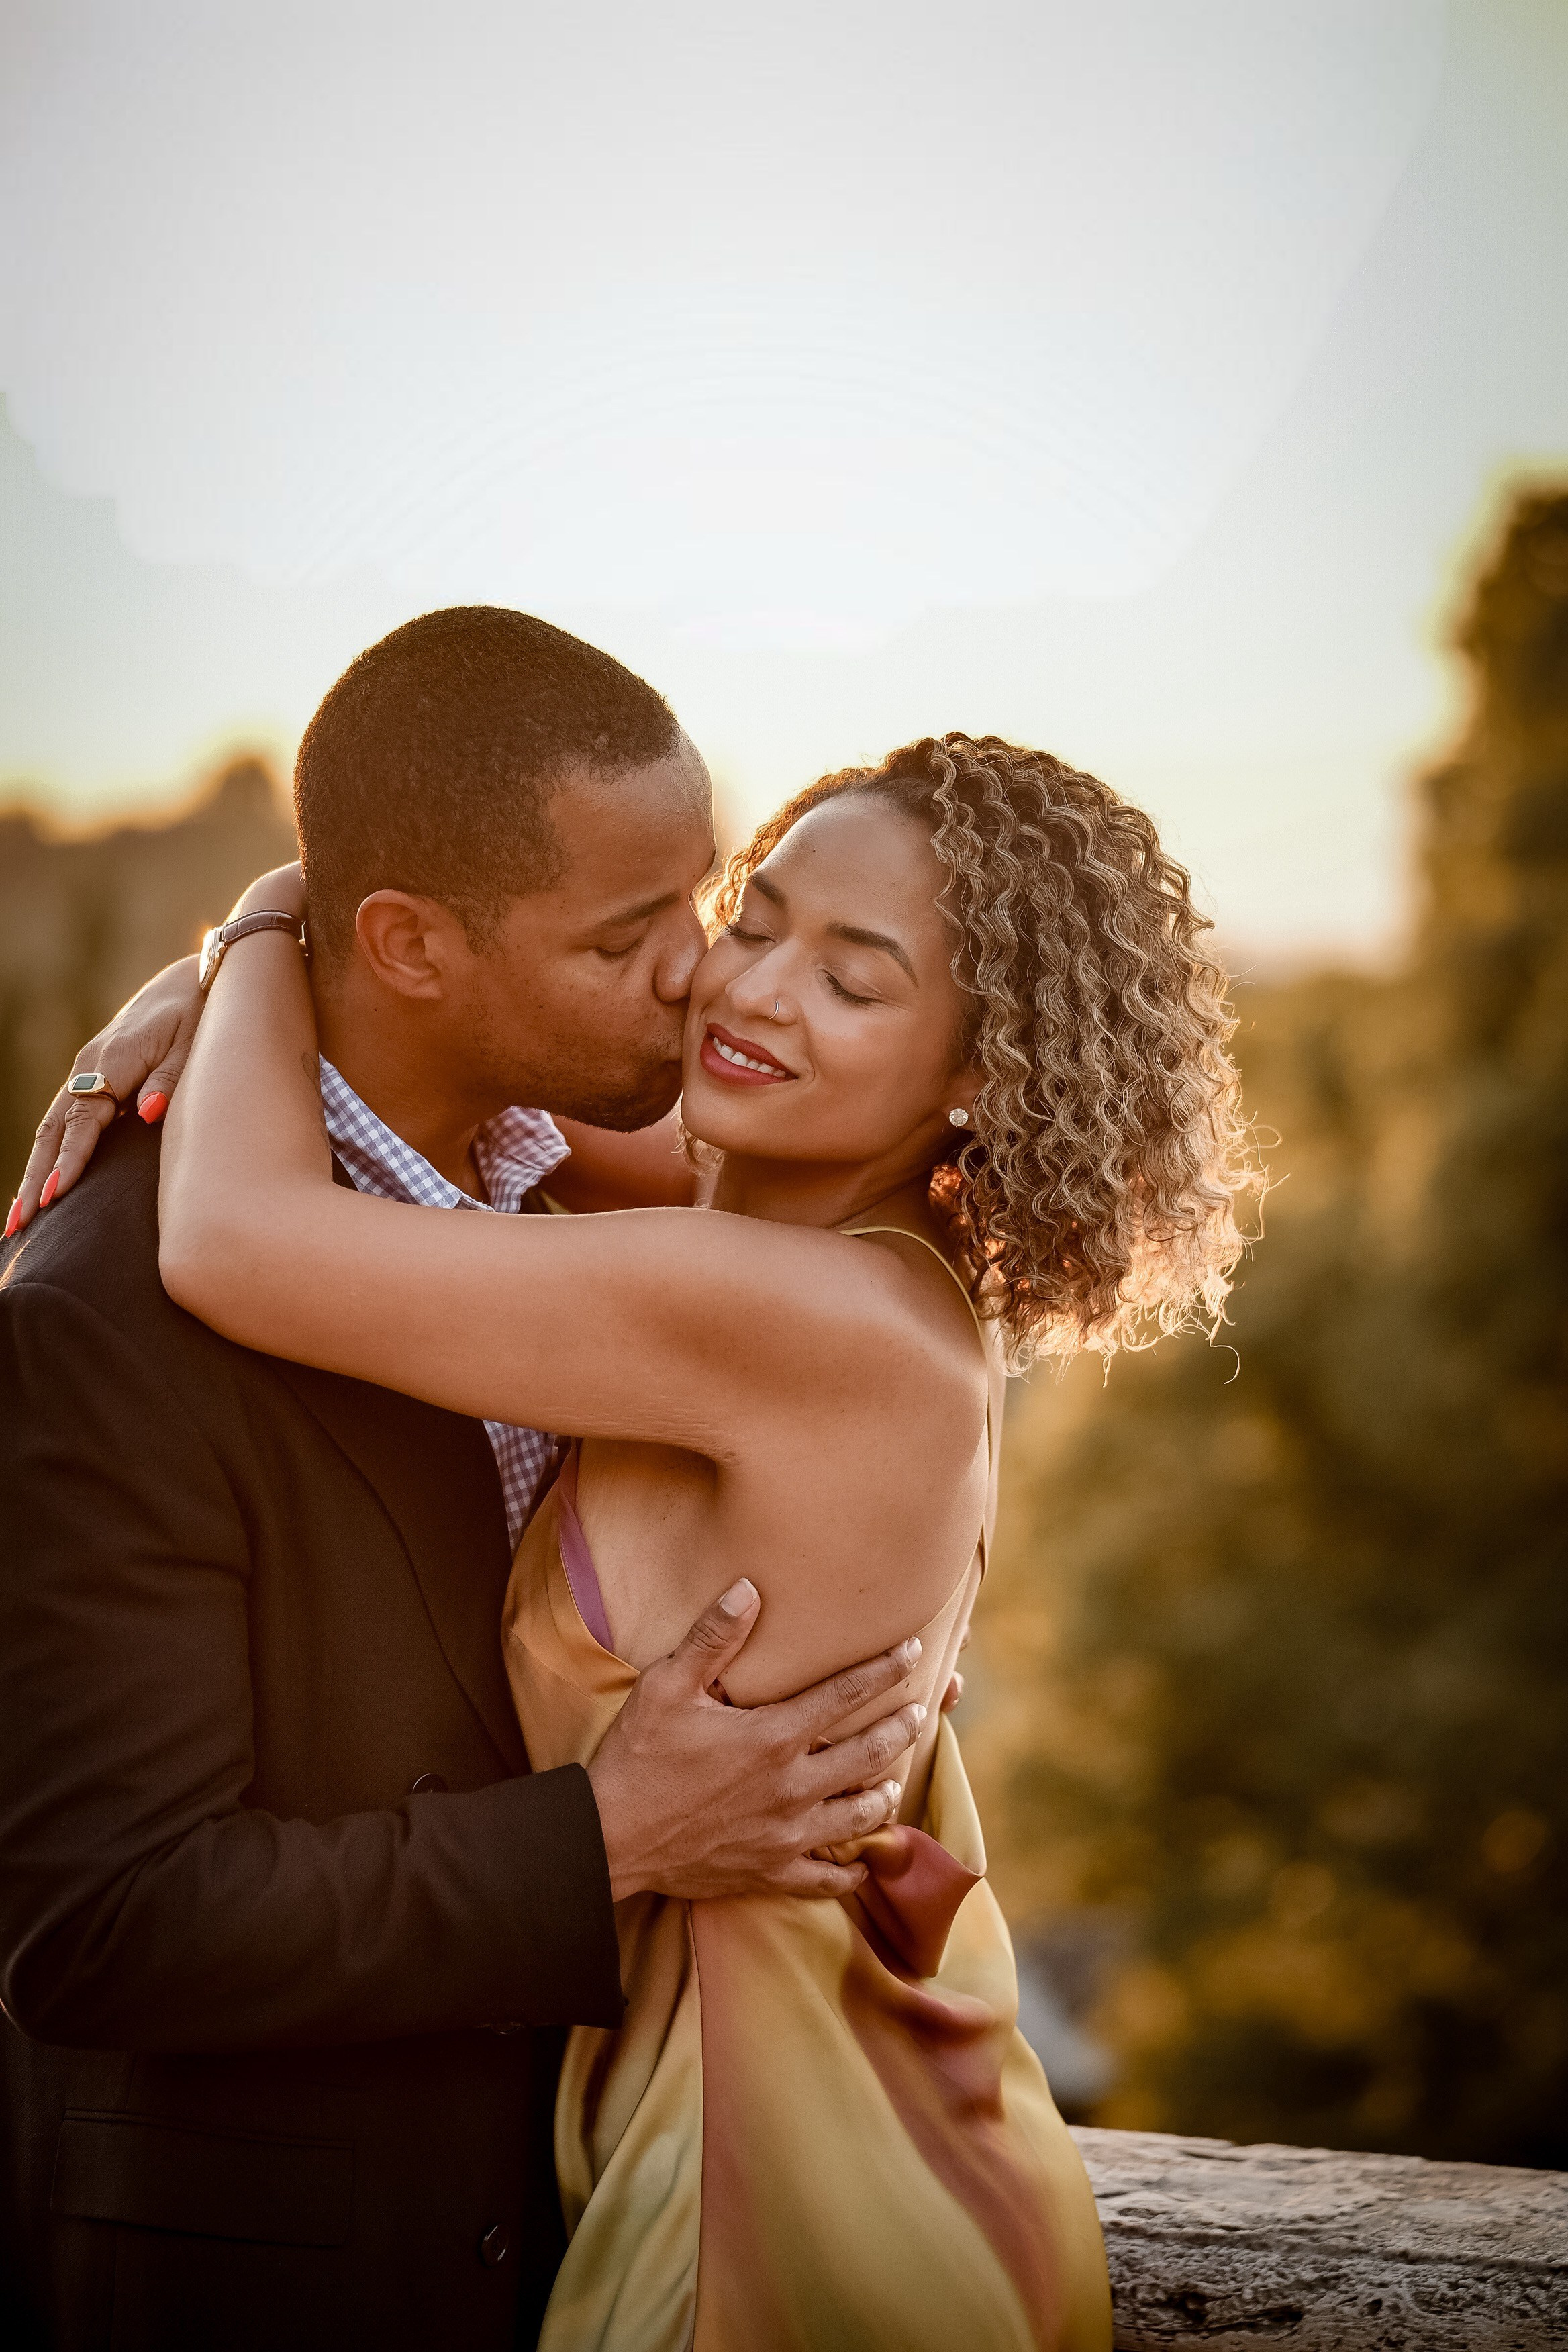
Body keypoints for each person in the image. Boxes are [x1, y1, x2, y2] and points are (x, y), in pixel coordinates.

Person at [136, 729, 1252, 2348]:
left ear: (975, 1076)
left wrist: (254, 927)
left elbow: (238, 1240)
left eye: (854, 982)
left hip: (777, 2194)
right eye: (757, 916)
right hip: (823, 2120)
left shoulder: (793, 1315)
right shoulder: (809, 1236)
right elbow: (453, 1070)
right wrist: (247, 993)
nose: (754, 994)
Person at [0, 611, 930, 2352]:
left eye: (705, 900)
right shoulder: (106, 1320)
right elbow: (105, 1927)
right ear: (411, 946)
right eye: (629, 935)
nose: (707, 976)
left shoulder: (597, 1186)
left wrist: (248, 940)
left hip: (581, 2228)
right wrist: (611, 1839)